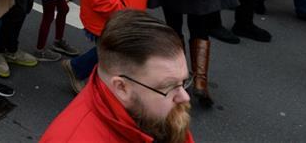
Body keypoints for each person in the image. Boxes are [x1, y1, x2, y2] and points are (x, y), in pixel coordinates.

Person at [41, 10, 194, 143]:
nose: (185, 97)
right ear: (122, 87)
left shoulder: (158, 112)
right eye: (169, 87)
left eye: (183, 82)